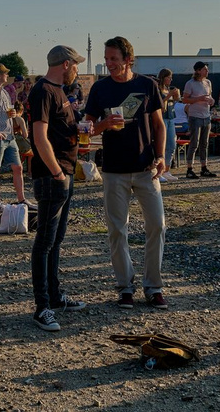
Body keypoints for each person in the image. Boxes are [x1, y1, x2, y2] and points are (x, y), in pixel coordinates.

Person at [83, 36, 168, 310]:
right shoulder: (100, 89)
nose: (109, 64)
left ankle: (153, 287)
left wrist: (162, 155)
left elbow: (159, 125)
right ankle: (125, 288)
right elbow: (87, 129)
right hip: (114, 171)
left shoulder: (147, 85)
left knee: (157, 225)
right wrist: (103, 124)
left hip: (146, 168)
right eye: (107, 59)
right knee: (117, 230)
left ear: (128, 59)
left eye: (114, 59)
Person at [29, 45, 88, 332]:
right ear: (65, 64)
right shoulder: (43, 90)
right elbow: (39, 137)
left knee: (57, 238)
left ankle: (54, 295)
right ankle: (41, 308)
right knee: (44, 241)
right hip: (52, 176)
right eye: (75, 65)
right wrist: (56, 173)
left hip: (65, 172)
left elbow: (60, 129)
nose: (77, 69)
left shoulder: (60, 91)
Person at [0, 63, 35, 211]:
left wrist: (13, 115)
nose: (7, 76)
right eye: (5, 73)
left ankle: (21, 199)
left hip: (9, 136)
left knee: (18, 167)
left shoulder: (4, 93)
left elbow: (7, 112)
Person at [182, 61, 217, 179]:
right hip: (195, 116)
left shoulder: (208, 82)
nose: (207, 71)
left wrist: (212, 101)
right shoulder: (190, 83)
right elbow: (185, 100)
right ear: (197, 71)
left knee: (204, 143)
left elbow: (210, 96)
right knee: (194, 143)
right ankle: (189, 169)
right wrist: (198, 99)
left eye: (207, 69)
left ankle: (204, 167)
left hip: (206, 116)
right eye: (204, 69)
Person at [157, 69, 180, 181]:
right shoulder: (159, 89)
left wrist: (175, 96)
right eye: (169, 77)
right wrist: (169, 95)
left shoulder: (167, 89)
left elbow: (173, 103)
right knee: (163, 145)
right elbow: (159, 105)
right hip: (163, 118)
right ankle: (159, 171)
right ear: (163, 77)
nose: (171, 80)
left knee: (171, 145)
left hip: (171, 117)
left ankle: (166, 169)